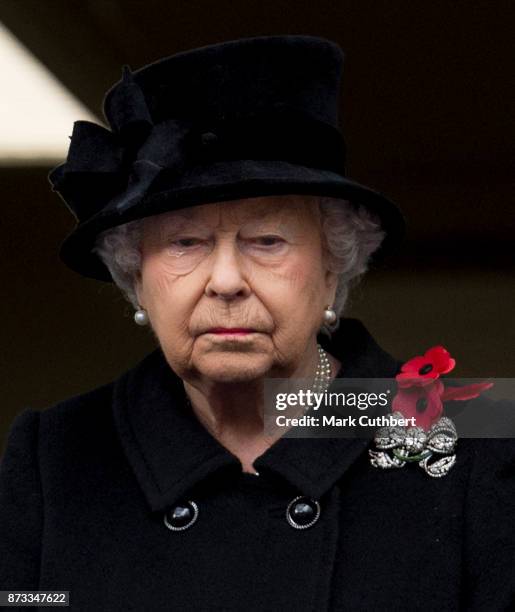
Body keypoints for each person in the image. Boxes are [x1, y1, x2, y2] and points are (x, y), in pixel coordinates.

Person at [1, 34, 514, 611]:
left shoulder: (476, 431)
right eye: (185, 242)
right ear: (136, 278)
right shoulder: (55, 455)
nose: (225, 280)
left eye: (267, 240)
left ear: (332, 266)